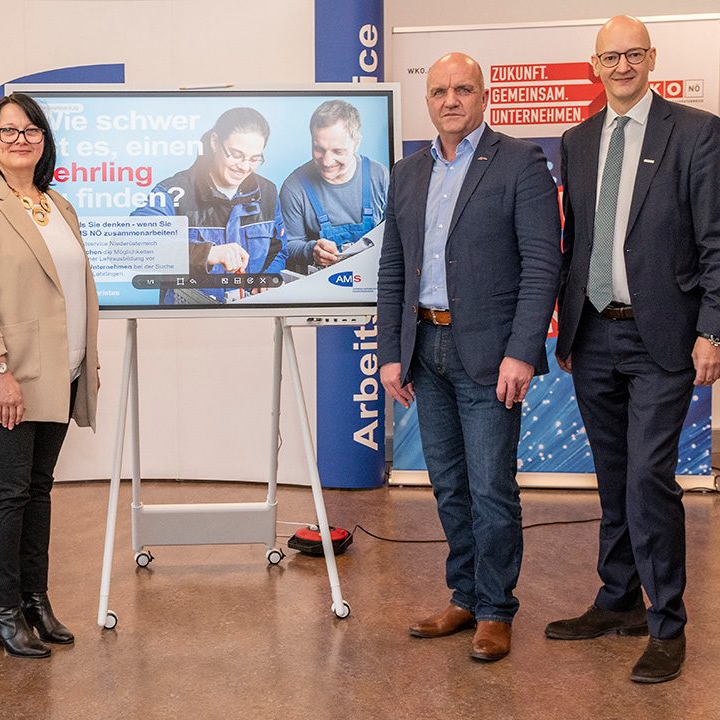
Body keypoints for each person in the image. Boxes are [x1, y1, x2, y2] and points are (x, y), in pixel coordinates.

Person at [548, 16, 720, 684]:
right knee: (611, 475)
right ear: (593, 65)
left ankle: (667, 625)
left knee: (648, 479)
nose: (622, 65)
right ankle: (618, 599)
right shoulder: (575, 141)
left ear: (651, 58)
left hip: (664, 335)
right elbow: (576, 243)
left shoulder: (695, 132)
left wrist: (714, 330)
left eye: (634, 53)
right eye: (611, 56)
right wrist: (567, 325)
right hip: (594, 332)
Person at [378, 53, 561, 662]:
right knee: (448, 484)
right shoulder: (406, 174)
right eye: (438, 91)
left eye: (462, 89)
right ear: (426, 101)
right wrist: (391, 352)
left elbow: (542, 265)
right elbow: (393, 269)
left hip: (489, 353)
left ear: (483, 96)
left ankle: (495, 609)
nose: (450, 100)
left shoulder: (520, 163)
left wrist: (522, 352)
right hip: (424, 349)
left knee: (489, 487)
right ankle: (464, 594)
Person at [0, 93, 100, 659]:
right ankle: (1, 612)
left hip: (61, 372)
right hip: (7, 377)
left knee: (38, 491)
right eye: (8, 131)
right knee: (8, 492)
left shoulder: (57, 204)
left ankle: (35, 600)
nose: (20, 140)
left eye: (31, 131)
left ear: (44, 141)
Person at [133, 107, 285, 303]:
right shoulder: (172, 192)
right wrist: (207, 253)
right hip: (183, 324)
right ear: (215, 142)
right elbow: (131, 247)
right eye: (236, 154)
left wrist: (266, 279)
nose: (245, 166)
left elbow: (278, 250)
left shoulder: (268, 193)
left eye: (255, 159)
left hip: (250, 321)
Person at [279, 99, 389, 275]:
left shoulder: (379, 176)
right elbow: (288, 245)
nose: (327, 161)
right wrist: (311, 250)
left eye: (338, 151)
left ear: (357, 143)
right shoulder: (294, 187)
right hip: (321, 290)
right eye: (319, 149)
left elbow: (395, 237)